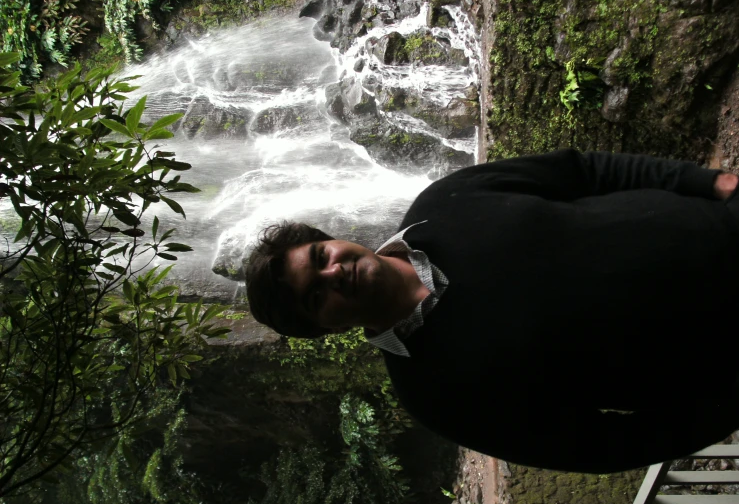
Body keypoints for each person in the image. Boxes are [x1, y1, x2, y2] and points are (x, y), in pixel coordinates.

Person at [246, 148, 739, 473]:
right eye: (316, 295)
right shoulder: (433, 394)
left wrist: (711, 183)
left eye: (319, 256)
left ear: (329, 239)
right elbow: (597, 446)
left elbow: (581, 171)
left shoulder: (442, 203)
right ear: (326, 328)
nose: (333, 273)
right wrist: (725, 408)